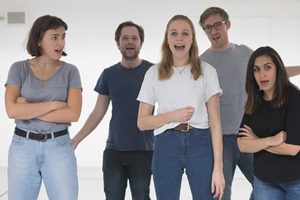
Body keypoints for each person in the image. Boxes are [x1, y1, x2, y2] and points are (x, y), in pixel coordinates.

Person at [137, 14, 225, 200]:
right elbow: (143, 123)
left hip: (200, 143)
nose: (179, 38)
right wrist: (173, 115)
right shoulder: (153, 73)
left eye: (185, 33)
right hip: (165, 145)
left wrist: (218, 168)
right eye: (174, 33)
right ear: (167, 39)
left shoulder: (207, 72)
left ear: (192, 39)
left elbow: (215, 123)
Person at [71, 21, 154, 200]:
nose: (130, 42)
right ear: (118, 43)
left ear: (141, 43)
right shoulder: (108, 74)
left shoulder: (153, 72)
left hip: (144, 151)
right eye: (125, 38)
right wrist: (77, 138)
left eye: (134, 38)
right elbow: (98, 112)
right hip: (114, 153)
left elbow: (168, 105)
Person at [5, 15, 82, 200]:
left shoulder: (71, 71)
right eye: (54, 37)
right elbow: (12, 111)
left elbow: (73, 114)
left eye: (63, 37)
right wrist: (54, 105)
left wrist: (29, 110)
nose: (61, 43)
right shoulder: (18, 69)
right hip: (22, 146)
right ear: (39, 40)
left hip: (60, 147)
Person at [199, 7, 255, 200]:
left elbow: (274, 72)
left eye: (217, 25)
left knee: (268, 184)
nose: (214, 31)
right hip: (219, 140)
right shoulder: (201, 63)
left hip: (248, 135)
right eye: (208, 28)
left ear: (227, 24)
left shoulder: (245, 53)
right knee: (220, 194)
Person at [237, 46, 300, 199]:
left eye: (267, 68)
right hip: (264, 181)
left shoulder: (295, 98)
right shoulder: (254, 101)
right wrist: (271, 140)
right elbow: (242, 144)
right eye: (256, 69)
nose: (262, 74)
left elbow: (293, 148)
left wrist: (257, 142)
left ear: (278, 69)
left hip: (295, 180)